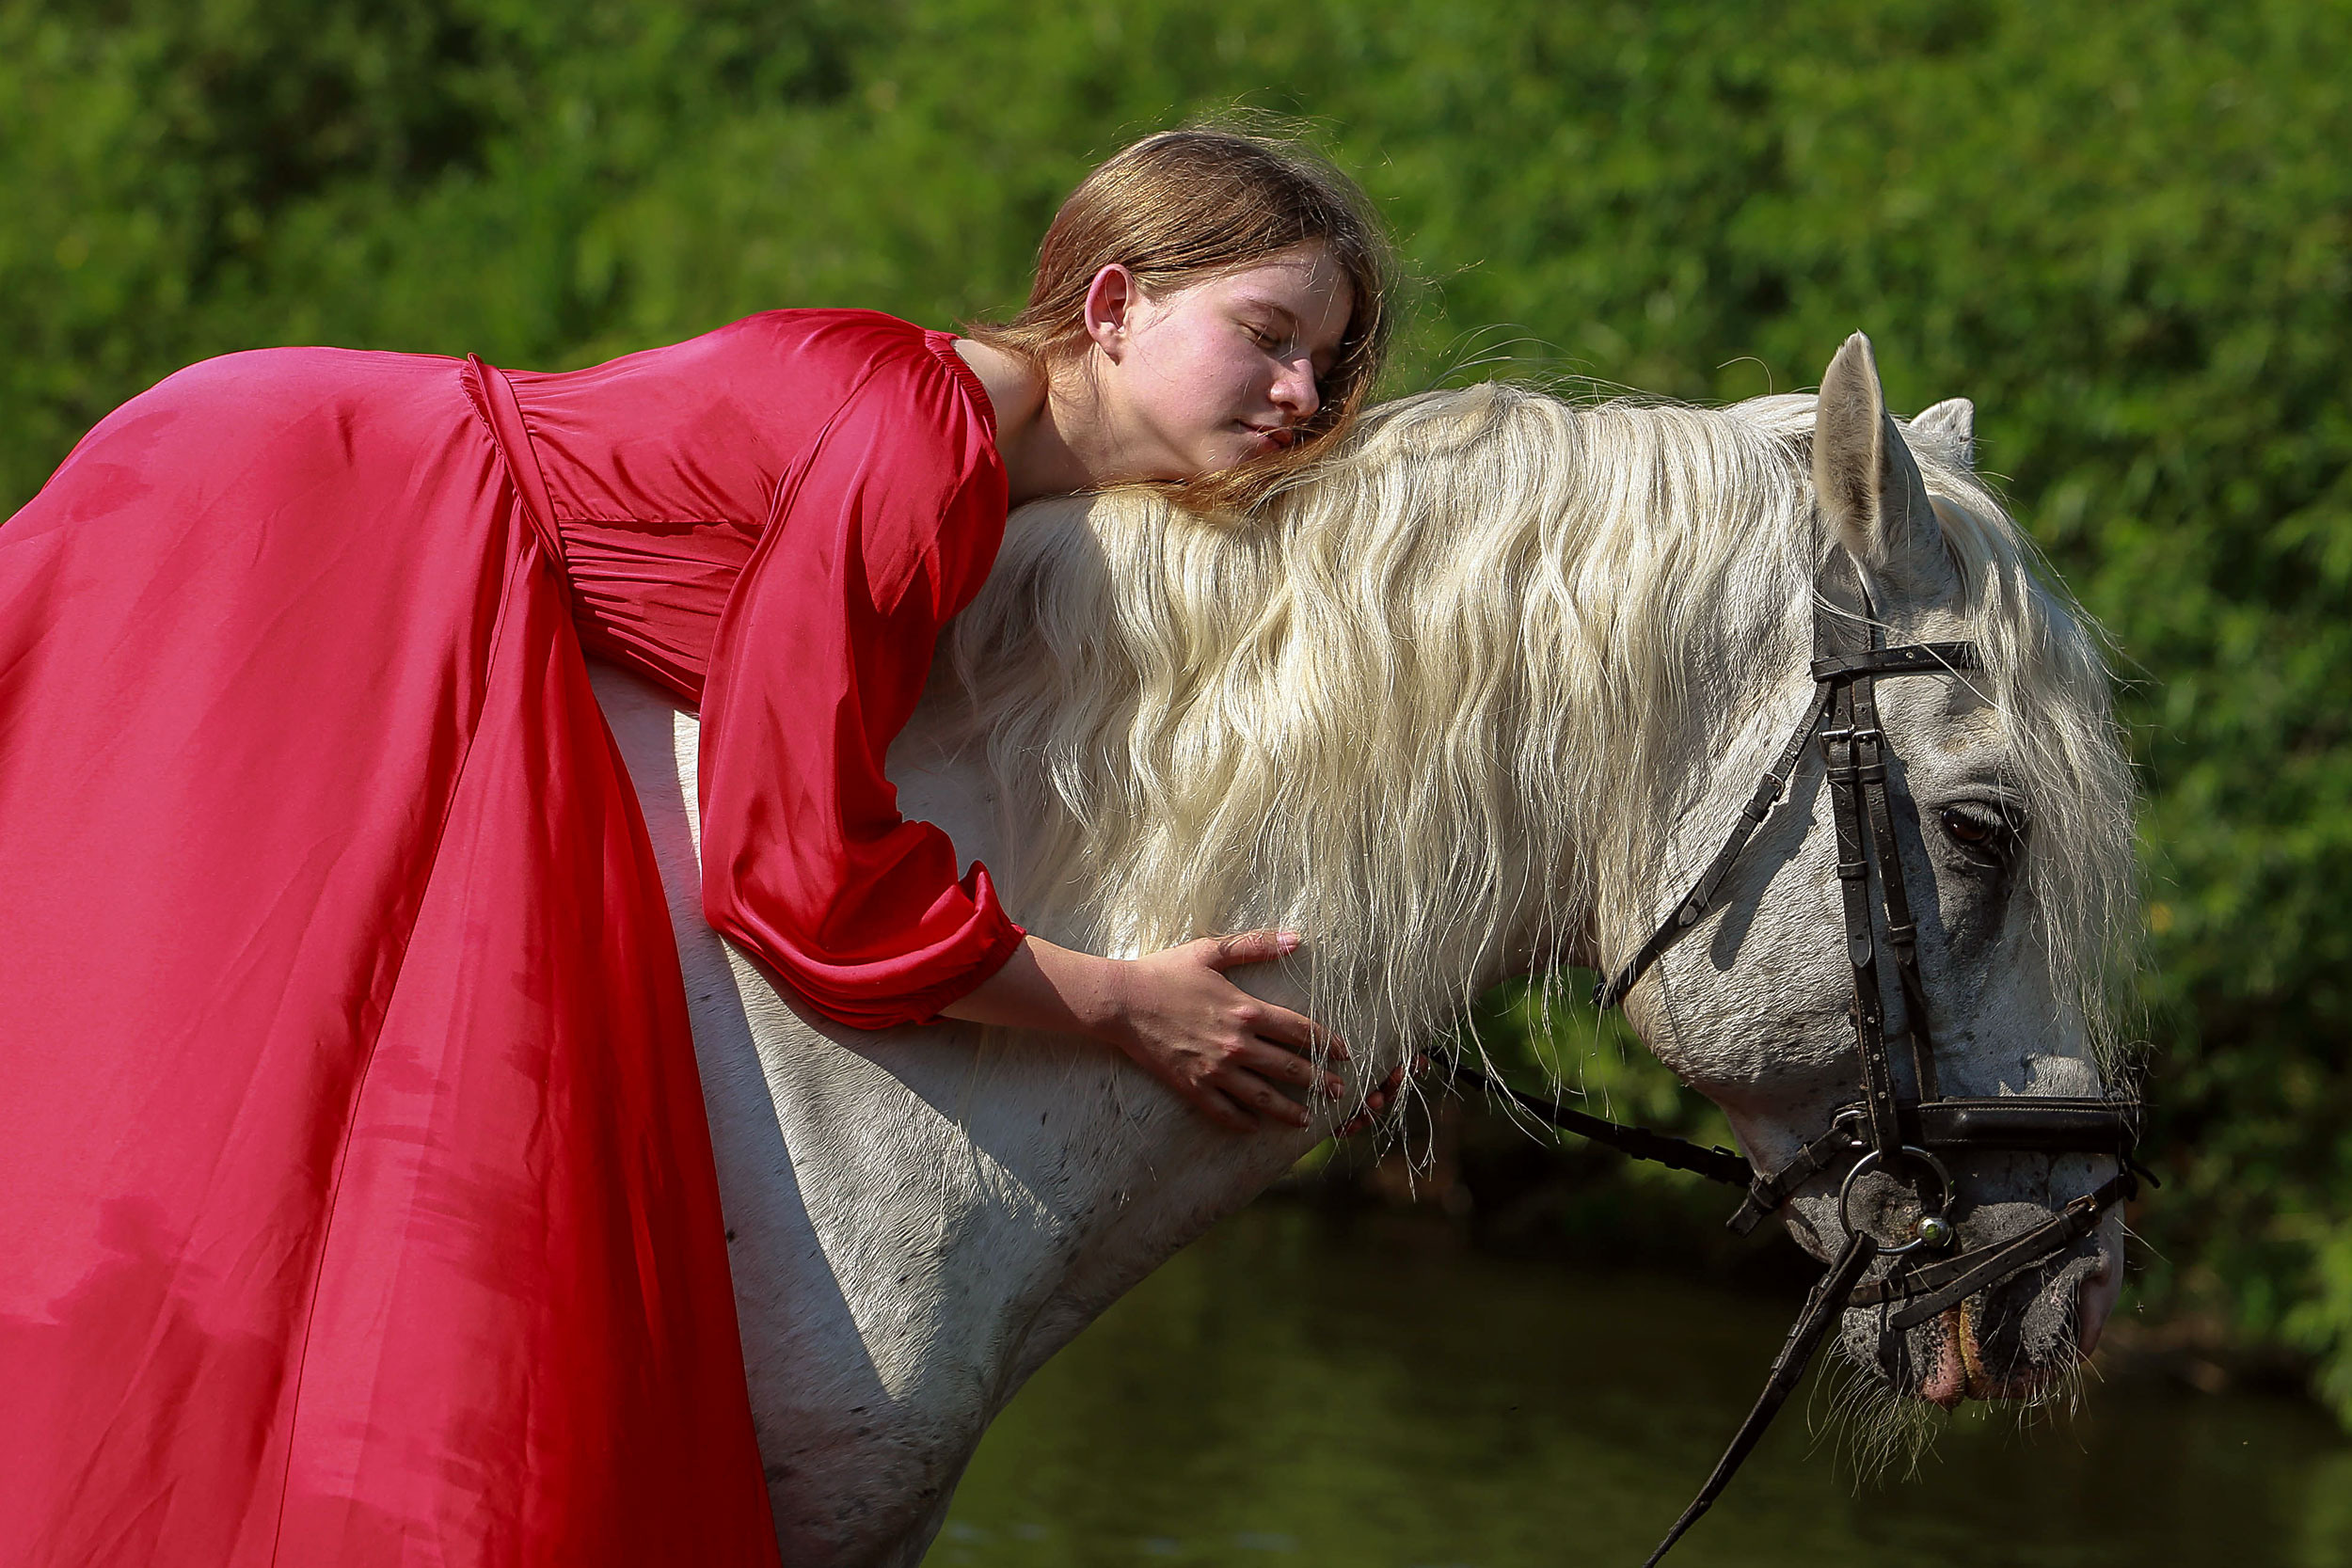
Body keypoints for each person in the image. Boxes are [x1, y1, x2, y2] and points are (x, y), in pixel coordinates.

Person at [0, 127, 1395, 1566]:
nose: (1300, 394)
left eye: (1326, 363)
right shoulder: (918, 450)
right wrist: (1117, 1002)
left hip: (366, 507)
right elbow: (788, 872)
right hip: (308, 512)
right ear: (1113, 308)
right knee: (195, 1088)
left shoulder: (967, 456)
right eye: (1267, 336)